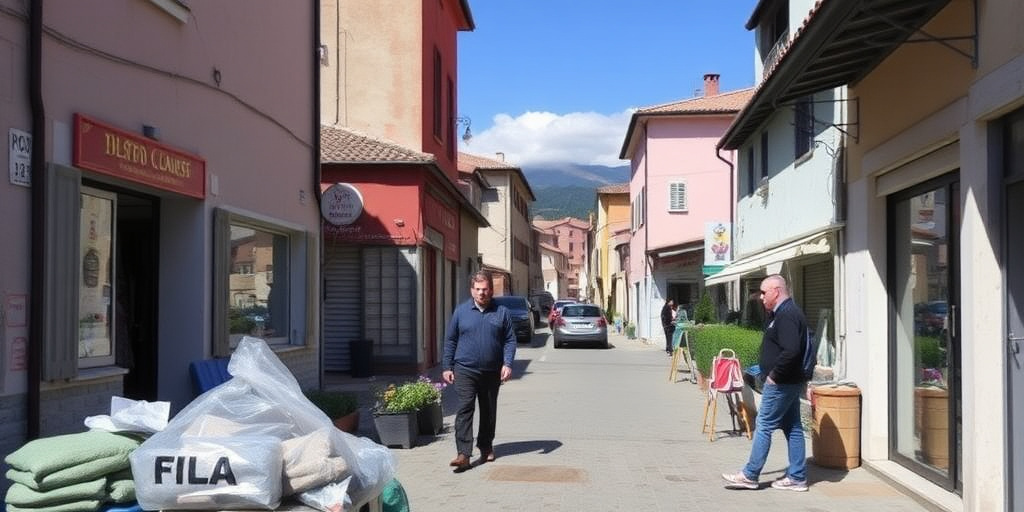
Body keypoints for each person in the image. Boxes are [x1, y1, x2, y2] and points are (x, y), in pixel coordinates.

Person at [722, 274, 810, 492]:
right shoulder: (781, 314)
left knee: (764, 425)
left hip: (781, 383)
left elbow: (791, 350)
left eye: (764, 292)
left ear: (776, 291)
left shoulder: (787, 315)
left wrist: (774, 375)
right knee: (793, 427)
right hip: (788, 382)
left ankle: (750, 475)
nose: (761, 297)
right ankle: (797, 477)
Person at [442, 271, 517, 472]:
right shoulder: (461, 312)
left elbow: (510, 340)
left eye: (485, 289)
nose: (482, 293)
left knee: (488, 410)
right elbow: (451, 340)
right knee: (465, 407)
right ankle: (463, 454)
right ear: (472, 290)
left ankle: (485, 446)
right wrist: (447, 366)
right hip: (465, 369)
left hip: (492, 371)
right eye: (478, 289)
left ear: (491, 290)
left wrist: (507, 363)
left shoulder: (501, 312)